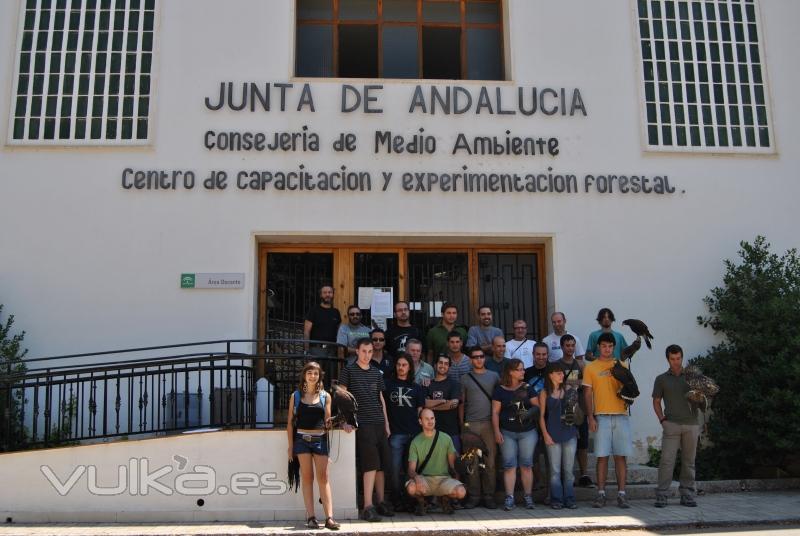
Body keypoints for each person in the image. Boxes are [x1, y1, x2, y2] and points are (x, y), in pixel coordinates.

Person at [338, 338, 394, 522]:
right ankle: (367, 506)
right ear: (357, 351)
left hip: (379, 423)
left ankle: (381, 502)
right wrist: (344, 421)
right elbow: (342, 397)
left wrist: (386, 423)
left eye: (370, 351)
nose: (367, 355)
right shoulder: (348, 371)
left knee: (381, 467)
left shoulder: (377, 373)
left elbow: (381, 400)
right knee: (370, 465)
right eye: (364, 351)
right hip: (362, 424)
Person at [286, 362, 340, 530]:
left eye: (316, 373)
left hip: (320, 440)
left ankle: (329, 518)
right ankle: (311, 517)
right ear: (304, 375)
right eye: (309, 373)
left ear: (319, 376)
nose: (312, 376)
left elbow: (327, 422)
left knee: (323, 478)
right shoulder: (295, 396)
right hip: (301, 440)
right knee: (308, 478)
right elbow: (289, 423)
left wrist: (338, 420)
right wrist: (290, 446)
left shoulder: (326, 396)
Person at [583, 332, 633, 508]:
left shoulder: (622, 364)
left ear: (614, 347)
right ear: (598, 347)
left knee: (621, 457)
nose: (607, 349)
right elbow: (587, 394)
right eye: (604, 346)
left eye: (610, 346)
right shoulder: (590, 367)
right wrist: (590, 416)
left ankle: (622, 494)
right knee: (602, 457)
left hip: (621, 415)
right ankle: (601, 494)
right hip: (602, 416)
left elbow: (631, 389)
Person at [652, 344, 702, 508]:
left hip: (691, 424)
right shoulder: (661, 379)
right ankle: (662, 495)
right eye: (672, 359)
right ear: (668, 359)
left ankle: (687, 494)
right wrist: (662, 420)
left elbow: (703, 399)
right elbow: (656, 401)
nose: (676, 362)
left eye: (678, 358)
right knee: (667, 461)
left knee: (689, 461)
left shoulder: (692, 377)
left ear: (682, 357)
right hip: (671, 424)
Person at [492, 358, 542, 511]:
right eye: (520, 369)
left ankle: (528, 497)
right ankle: (509, 498)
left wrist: (527, 413)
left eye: (523, 369)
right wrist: (496, 431)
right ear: (511, 372)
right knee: (509, 466)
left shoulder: (528, 388)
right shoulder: (500, 390)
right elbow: (495, 412)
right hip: (507, 432)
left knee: (526, 465)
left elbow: (538, 407)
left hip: (527, 432)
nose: (523, 371)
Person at [459, 346, 500, 509]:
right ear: (470, 360)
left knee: (490, 462)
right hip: (471, 424)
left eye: (481, 356)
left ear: (485, 358)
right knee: (472, 462)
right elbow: (462, 404)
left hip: (490, 424)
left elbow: (499, 401)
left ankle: (489, 496)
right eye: (475, 357)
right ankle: (474, 496)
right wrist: (462, 424)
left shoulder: (494, 376)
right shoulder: (465, 379)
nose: (478, 359)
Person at [384, 353, 426, 512]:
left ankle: (412, 500)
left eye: (404, 365)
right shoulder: (388, 385)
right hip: (395, 434)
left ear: (410, 367)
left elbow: (420, 411)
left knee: (412, 470)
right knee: (394, 470)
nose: (401, 368)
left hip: (414, 435)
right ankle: (396, 500)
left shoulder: (416, 388)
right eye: (399, 364)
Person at [406, 408, 467, 515]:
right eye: (426, 419)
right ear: (420, 421)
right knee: (411, 488)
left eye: (432, 418)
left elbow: (453, 466)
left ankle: (445, 500)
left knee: (461, 492)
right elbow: (411, 469)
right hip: (425, 480)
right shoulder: (415, 442)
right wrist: (416, 477)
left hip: (443, 479)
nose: (430, 421)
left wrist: (462, 464)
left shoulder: (446, 438)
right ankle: (422, 502)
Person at [538, 362, 579, 510]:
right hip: (552, 434)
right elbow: (541, 416)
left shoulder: (569, 390)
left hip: (569, 433)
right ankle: (556, 499)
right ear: (550, 375)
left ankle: (569, 498)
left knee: (568, 470)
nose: (562, 375)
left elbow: (577, 413)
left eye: (562, 373)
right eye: (559, 373)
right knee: (555, 471)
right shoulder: (544, 393)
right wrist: (545, 434)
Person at [558, 334, 594, 488]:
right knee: (566, 444)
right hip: (563, 410)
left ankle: (584, 474)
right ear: (562, 347)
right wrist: (573, 383)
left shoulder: (581, 364)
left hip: (580, 409)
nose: (570, 348)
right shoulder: (556, 365)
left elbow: (587, 387)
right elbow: (557, 386)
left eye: (573, 345)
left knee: (583, 444)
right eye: (567, 345)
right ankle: (567, 476)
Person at [425, 354, 462, 453]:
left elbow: (453, 403)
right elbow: (424, 403)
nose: (443, 365)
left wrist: (432, 407)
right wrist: (442, 401)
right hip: (431, 431)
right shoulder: (428, 384)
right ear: (435, 365)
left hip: (451, 431)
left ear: (449, 367)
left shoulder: (454, 384)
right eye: (440, 363)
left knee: (454, 464)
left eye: (446, 364)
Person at [304, 285, 342, 376]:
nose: (327, 295)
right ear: (321, 295)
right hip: (316, 350)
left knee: (330, 378)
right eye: (325, 293)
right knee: (315, 377)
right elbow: (306, 331)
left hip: (332, 350)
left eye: (330, 292)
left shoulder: (336, 312)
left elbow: (339, 332)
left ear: (333, 295)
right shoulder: (313, 311)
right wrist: (306, 351)